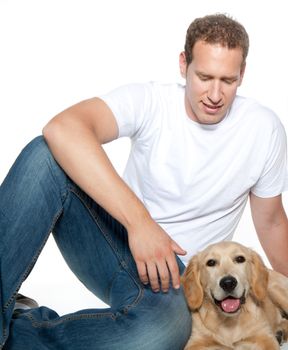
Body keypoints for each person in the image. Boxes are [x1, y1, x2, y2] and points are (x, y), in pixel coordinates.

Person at [1, 13, 288, 350]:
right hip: (116, 243)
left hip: (177, 283)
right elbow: (63, 128)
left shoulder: (263, 128)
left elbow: (270, 222)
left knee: (162, 333)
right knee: (46, 155)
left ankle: (16, 330)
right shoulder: (150, 101)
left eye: (227, 80)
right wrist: (140, 224)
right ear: (184, 65)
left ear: (242, 74)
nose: (214, 93)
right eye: (204, 76)